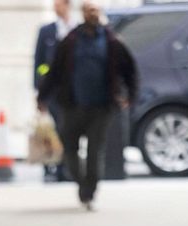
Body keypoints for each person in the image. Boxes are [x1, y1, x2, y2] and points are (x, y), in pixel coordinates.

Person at [37, 0, 137, 210]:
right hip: (73, 106)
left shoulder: (111, 42)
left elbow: (130, 70)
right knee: (69, 149)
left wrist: (129, 95)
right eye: (89, 10)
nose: (92, 13)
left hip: (101, 107)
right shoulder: (70, 41)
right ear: (82, 13)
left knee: (95, 151)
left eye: (95, 10)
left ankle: (89, 192)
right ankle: (82, 182)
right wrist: (42, 97)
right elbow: (54, 71)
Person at [34, 0, 77, 182]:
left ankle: (64, 167)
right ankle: (51, 165)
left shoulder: (76, 30)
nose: (55, 7)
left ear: (67, 5)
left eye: (58, 3)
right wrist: (39, 89)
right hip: (53, 91)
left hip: (73, 91)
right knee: (53, 129)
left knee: (68, 130)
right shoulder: (47, 31)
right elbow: (39, 63)